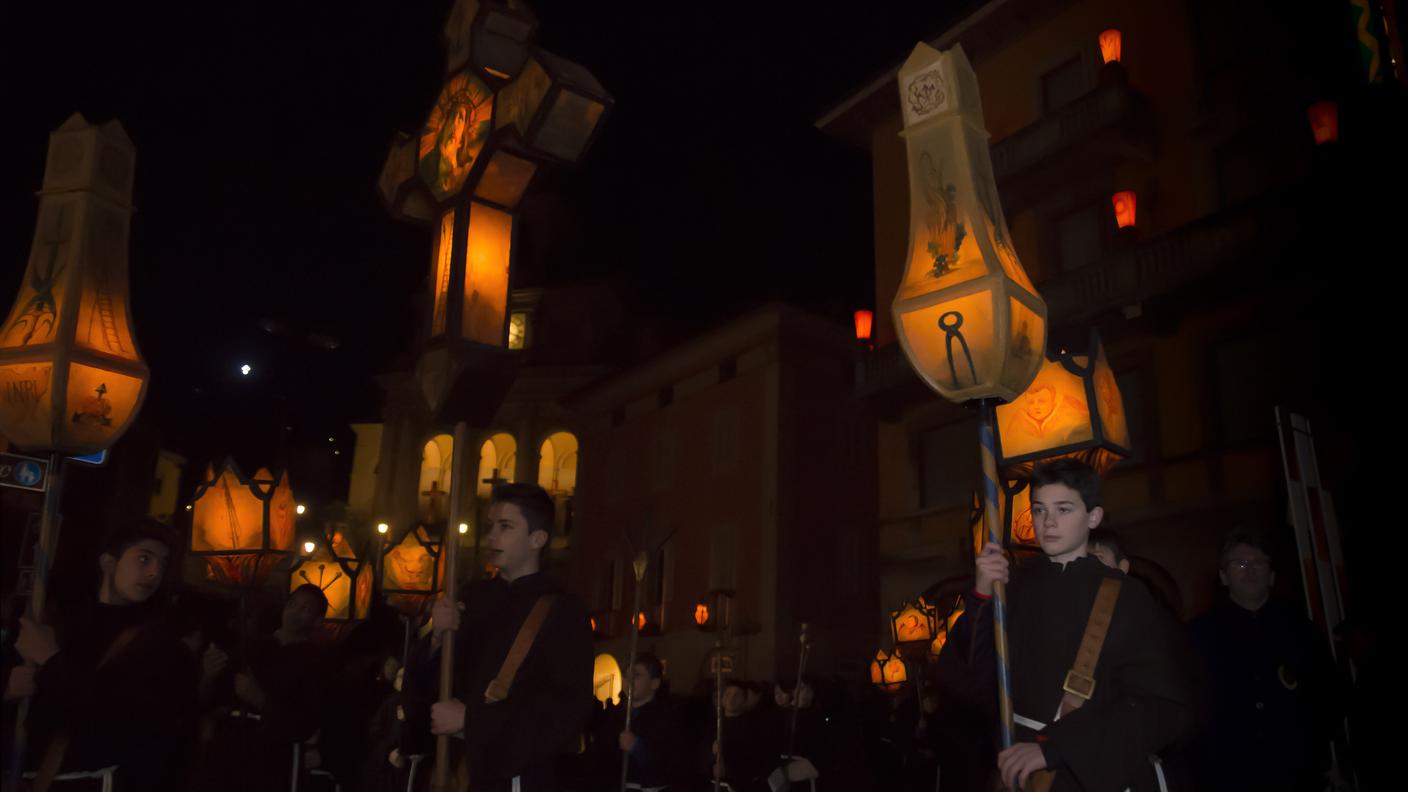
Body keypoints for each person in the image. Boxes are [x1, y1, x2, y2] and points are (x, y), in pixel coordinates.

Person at [945, 458, 1198, 791]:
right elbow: (965, 679)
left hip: (1087, 774)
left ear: (1093, 516)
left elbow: (1159, 707)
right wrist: (981, 593)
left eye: (1063, 510)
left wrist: (1056, 748)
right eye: (1039, 510)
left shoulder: (1127, 596)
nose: (1048, 522)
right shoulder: (1014, 587)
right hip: (1017, 775)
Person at [410, 482, 593, 792]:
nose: (491, 535)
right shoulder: (470, 598)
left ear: (537, 539)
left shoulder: (563, 611)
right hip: (457, 770)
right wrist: (437, 639)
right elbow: (423, 688)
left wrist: (473, 722)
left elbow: (564, 710)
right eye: (490, 526)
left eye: (505, 526)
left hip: (515, 776)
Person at [8, 519, 198, 791]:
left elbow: (118, 724)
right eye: (144, 559)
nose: (155, 572)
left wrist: (51, 662)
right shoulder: (62, 625)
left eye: (162, 564)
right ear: (109, 563)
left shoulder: (160, 646)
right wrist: (10, 691)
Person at [1187, 529, 1340, 792]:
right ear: (1223, 575)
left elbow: (1329, 695)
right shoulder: (1198, 635)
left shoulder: (1302, 630)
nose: (1250, 570)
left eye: (1259, 563)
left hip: (1297, 772)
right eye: (1240, 563)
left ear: (1271, 575)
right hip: (1229, 774)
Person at [590, 652, 687, 790]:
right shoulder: (614, 716)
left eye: (636, 676)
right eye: (626, 676)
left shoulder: (667, 718)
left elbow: (672, 762)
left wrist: (638, 747)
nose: (628, 681)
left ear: (654, 683)